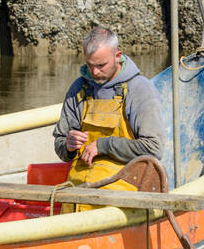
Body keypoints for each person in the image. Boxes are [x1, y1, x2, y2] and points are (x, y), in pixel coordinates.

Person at [53, 26, 164, 198]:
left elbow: (153, 149)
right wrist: (68, 145)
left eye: (101, 65)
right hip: (76, 192)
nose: (95, 72)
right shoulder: (79, 88)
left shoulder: (139, 89)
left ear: (117, 56)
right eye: (90, 66)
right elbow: (60, 145)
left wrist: (103, 145)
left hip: (124, 195)